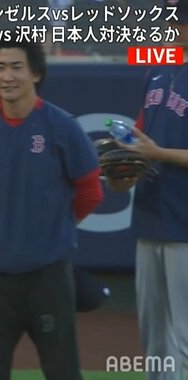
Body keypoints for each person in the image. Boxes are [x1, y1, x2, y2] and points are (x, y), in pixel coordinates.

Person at [0, 38, 103, 380]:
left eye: (16, 67)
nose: (7, 76)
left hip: (49, 278)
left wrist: (54, 226)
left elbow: (90, 191)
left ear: (36, 73)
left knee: (63, 371)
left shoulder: (63, 127)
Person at [110, 2, 188, 378]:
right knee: (153, 337)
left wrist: (156, 153)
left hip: (184, 224)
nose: (172, 27)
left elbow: (154, 148)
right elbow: (142, 140)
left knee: (184, 336)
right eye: (171, 21)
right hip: (150, 216)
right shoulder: (158, 71)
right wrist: (126, 167)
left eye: (179, 22)